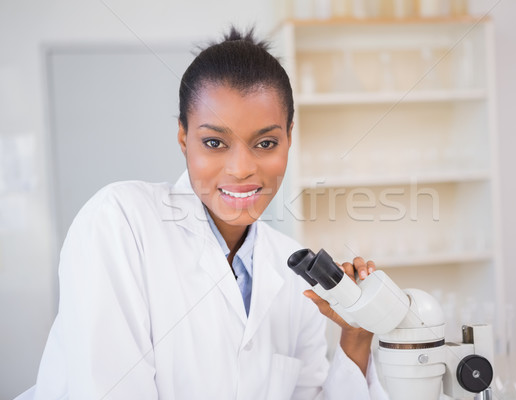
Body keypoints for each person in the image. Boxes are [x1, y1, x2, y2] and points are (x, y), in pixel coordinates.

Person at [19, 27, 388, 399]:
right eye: (214, 143)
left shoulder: (293, 276)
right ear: (183, 138)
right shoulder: (120, 223)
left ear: (289, 138)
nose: (241, 168)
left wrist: (355, 338)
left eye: (266, 143)